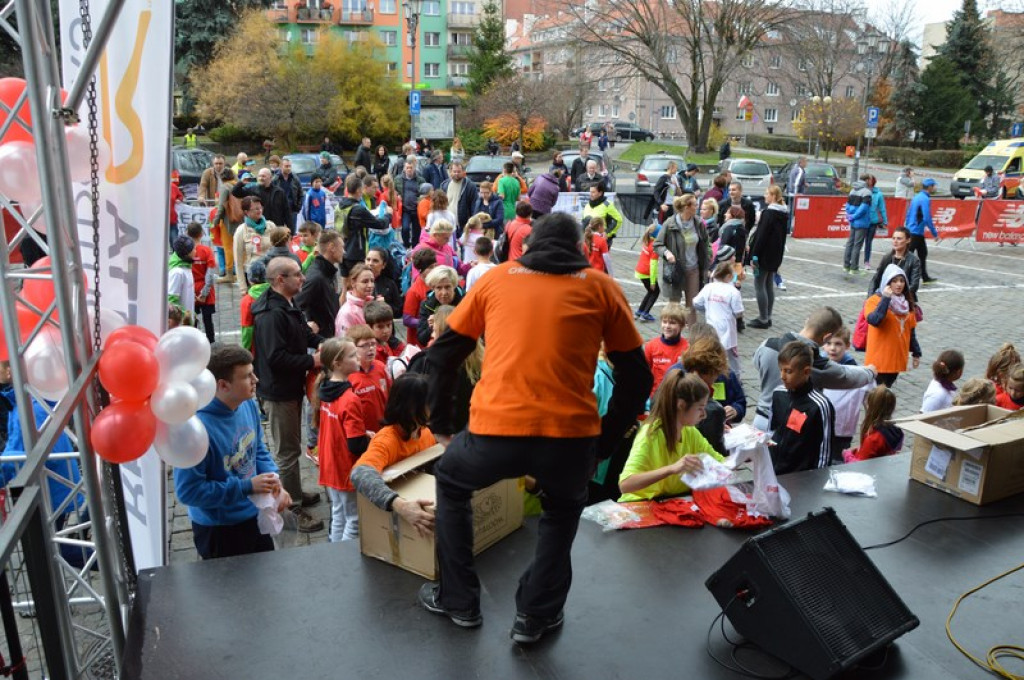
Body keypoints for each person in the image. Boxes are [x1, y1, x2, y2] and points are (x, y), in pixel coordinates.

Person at [419, 212, 650, 642]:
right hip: (570, 437)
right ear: (582, 249)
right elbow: (637, 376)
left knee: (451, 480)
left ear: (526, 247)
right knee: (562, 513)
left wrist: (443, 424)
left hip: (494, 431)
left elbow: (443, 354)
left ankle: (459, 600)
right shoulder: (602, 287)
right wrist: (605, 437)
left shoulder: (496, 278)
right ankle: (535, 615)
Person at [174, 344, 292, 559]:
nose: (256, 380)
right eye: (247, 376)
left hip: (253, 516)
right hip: (220, 531)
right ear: (223, 385)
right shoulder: (195, 431)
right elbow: (188, 492)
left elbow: (257, 449)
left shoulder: (246, 404)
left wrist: (275, 482)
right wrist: (246, 487)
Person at [251, 256, 324, 533]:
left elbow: (305, 335)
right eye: (296, 275)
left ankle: (294, 491)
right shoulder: (271, 314)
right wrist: (312, 362)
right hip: (278, 392)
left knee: (292, 446)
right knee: (287, 452)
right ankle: (291, 510)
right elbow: (276, 358)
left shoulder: (288, 304)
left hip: (290, 388)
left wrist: (326, 346)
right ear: (280, 280)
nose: (302, 279)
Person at [752, 306, 876, 432]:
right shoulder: (815, 363)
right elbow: (846, 377)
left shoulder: (767, 344)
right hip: (789, 427)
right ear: (827, 337)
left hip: (760, 421)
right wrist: (870, 372)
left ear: (807, 321)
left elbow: (756, 363)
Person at [350, 374, 439, 537]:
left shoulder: (425, 433)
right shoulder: (386, 440)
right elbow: (359, 474)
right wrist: (401, 506)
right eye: (429, 401)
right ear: (412, 407)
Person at [617, 372, 721, 502]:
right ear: (681, 405)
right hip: (640, 506)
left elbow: (720, 464)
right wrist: (671, 469)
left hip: (671, 502)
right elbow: (625, 485)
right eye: (700, 408)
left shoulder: (690, 431)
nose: (704, 415)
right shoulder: (650, 435)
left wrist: (741, 454)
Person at [312, 337, 367, 542]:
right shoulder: (350, 398)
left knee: (338, 514)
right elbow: (355, 444)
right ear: (337, 364)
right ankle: (345, 559)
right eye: (352, 355)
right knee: (353, 520)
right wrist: (370, 439)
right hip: (344, 467)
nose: (358, 357)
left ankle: (333, 554)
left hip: (329, 464)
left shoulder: (325, 389)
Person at [768, 341, 835, 474]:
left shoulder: (819, 406)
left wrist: (816, 482)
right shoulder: (778, 394)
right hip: (773, 471)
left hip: (800, 478)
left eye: (788, 371)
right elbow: (771, 430)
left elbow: (824, 453)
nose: (782, 376)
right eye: (780, 369)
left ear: (806, 372)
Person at [655, 194, 710, 325]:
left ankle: (692, 337)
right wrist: (667, 253)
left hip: (694, 269)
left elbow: (706, 242)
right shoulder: (670, 223)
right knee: (674, 304)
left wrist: (709, 256)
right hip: (676, 270)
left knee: (692, 304)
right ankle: (674, 334)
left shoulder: (698, 223)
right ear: (687, 207)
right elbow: (657, 244)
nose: (698, 207)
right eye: (695, 205)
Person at [863, 264, 921, 387]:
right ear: (887, 283)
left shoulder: (907, 304)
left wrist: (916, 353)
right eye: (894, 281)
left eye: (901, 280)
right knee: (877, 395)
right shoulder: (873, 301)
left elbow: (911, 331)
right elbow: (874, 320)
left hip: (896, 360)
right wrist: (885, 299)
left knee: (886, 389)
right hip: (879, 361)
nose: (899, 284)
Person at [819, 327, 872, 461]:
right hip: (820, 426)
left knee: (837, 460)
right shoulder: (818, 367)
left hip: (843, 429)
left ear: (847, 346)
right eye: (828, 343)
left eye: (838, 344)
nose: (832, 348)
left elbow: (869, 400)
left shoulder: (856, 372)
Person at [337, 174, 393, 286]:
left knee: (345, 287)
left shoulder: (340, 205)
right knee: (357, 286)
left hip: (342, 249)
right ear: (359, 190)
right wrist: (388, 214)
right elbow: (380, 224)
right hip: (356, 252)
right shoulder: (358, 209)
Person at [693, 261, 744, 378]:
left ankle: (712, 373)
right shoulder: (733, 292)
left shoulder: (709, 288)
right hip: (727, 326)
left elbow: (696, 302)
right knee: (732, 354)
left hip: (711, 324)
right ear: (729, 276)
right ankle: (735, 376)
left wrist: (706, 309)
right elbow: (738, 312)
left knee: (712, 349)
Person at [747, 186, 789, 329]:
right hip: (775, 255)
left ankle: (763, 318)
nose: (764, 196)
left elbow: (761, 236)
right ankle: (768, 316)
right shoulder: (783, 213)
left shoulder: (769, 213)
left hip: (763, 255)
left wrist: (754, 256)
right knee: (769, 284)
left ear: (773, 196)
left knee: (759, 284)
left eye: (767, 194)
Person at [295, 229, 343, 338]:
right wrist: (306, 325)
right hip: (320, 341)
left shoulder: (328, 272)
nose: (343, 251)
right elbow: (295, 304)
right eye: (342, 247)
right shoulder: (316, 277)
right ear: (332, 247)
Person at [345, 324, 391, 432]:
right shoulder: (349, 375)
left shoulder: (381, 367)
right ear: (353, 348)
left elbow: (390, 395)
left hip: (383, 430)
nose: (370, 348)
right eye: (365, 345)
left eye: (373, 344)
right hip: (362, 433)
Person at [843, 386, 902, 462]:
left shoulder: (873, 439)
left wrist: (847, 454)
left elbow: (859, 466)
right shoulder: (897, 431)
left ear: (872, 407)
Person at [644, 303, 689, 399]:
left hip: (677, 397)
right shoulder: (651, 346)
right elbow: (644, 375)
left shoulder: (687, 348)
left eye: (672, 323)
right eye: (664, 322)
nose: (667, 326)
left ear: (682, 326)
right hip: (655, 397)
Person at [232, 167, 293, 235]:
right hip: (259, 228)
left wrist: (291, 231)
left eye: (263, 176)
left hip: (276, 228)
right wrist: (241, 183)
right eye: (259, 176)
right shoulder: (253, 190)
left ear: (270, 177)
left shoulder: (279, 192)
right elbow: (235, 192)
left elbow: (287, 212)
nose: (261, 178)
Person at [867, 227, 922, 297]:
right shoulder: (887, 257)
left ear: (908, 240)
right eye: (893, 238)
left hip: (904, 299)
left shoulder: (914, 260)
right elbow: (875, 279)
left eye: (899, 238)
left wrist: (897, 295)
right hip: (885, 297)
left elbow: (914, 285)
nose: (895, 241)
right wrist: (870, 298)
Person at [417, 265, 464, 347]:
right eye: (439, 288)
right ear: (433, 288)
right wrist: (432, 327)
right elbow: (422, 339)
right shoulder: (427, 305)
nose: (444, 293)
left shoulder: (466, 302)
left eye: (447, 287)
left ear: (454, 285)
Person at [905, 178, 941, 284]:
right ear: (929, 187)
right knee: (909, 254)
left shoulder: (917, 197)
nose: (935, 187)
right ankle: (904, 276)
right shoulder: (925, 199)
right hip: (916, 231)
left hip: (913, 229)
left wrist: (908, 225)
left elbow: (909, 213)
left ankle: (924, 276)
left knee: (922, 253)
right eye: (934, 185)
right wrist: (934, 233)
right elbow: (927, 217)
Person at [187, 223, 217, 343]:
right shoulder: (207, 251)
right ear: (201, 234)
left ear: (187, 234)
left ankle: (193, 343)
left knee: (191, 319)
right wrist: (204, 293)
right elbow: (210, 275)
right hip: (205, 290)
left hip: (191, 289)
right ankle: (211, 343)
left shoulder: (185, 252)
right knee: (208, 320)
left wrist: (192, 293)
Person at [403, 249, 437, 347]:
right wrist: (427, 322)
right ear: (421, 270)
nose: (434, 269)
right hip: (418, 343)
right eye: (430, 267)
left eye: (436, 266)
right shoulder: (414, 291)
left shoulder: (436, 285)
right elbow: (407, 319)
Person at [336, 263, 380, 337]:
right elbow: (345, 343)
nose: (370, 285)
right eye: (365, 281)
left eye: (372, 281)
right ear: (353, 283)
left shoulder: (371, 304)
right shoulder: (347, 313)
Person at [842, 178, 873, 274]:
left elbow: (847, 205)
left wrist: (850, 216)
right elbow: (864, 208)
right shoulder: (867, 192)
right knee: (857, 245)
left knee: (850, 243)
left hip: (852, 221)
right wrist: (855, 216)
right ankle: (854, 268)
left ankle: (846, 266)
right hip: (862, 221)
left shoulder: (852, 190)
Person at [365, 300, 405, 365]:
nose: (386, 331)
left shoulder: (385, 343)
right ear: (369, 327)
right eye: (380, 327)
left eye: (389, 325)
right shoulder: (372, 353)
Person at [365, 247, 402, 318]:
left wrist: (386, 305)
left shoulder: (390, 284)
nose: (370, 263)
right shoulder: (357, 281)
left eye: (375, 261)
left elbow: (399, 311)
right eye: (368, 259)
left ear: (383, 265)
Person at [634, 224, 660, 322]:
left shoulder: (647, 241)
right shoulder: (655, 246)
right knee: (655, 292)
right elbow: (653, 266)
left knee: (650, 292)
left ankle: (639, 311)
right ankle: (645, 314)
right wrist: (653, 281)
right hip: (646, 273)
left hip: (640, 271)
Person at [167, 236, 196, 326]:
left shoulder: (187, 267)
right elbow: (171, 301)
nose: (196, 251)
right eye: (193, 249)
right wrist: (185, 317)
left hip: (188, 322)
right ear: (186, 253)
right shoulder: (177, 272)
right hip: (182, 326)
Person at [863, 175, 888, 272]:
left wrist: (885, 221)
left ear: (872, 181)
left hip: (873, 221)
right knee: (858, 242)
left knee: (868, 242)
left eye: (869, 180)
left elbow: (882, 208)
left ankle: (866, 261)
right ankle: (853, 261)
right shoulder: (862, 191)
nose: (867, 181)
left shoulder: (878, 194)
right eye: (866, 180)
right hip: (862, 221)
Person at [274, 158, 303, 228]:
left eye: (290, 166)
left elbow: (301, 194)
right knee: (279, 232)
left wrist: (298, 207)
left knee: (292, 232)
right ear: (281, 166)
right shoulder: (275, 179)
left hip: (292, 210)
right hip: (279, 211)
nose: (289, 168)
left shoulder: (295, 178)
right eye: (286, 166)